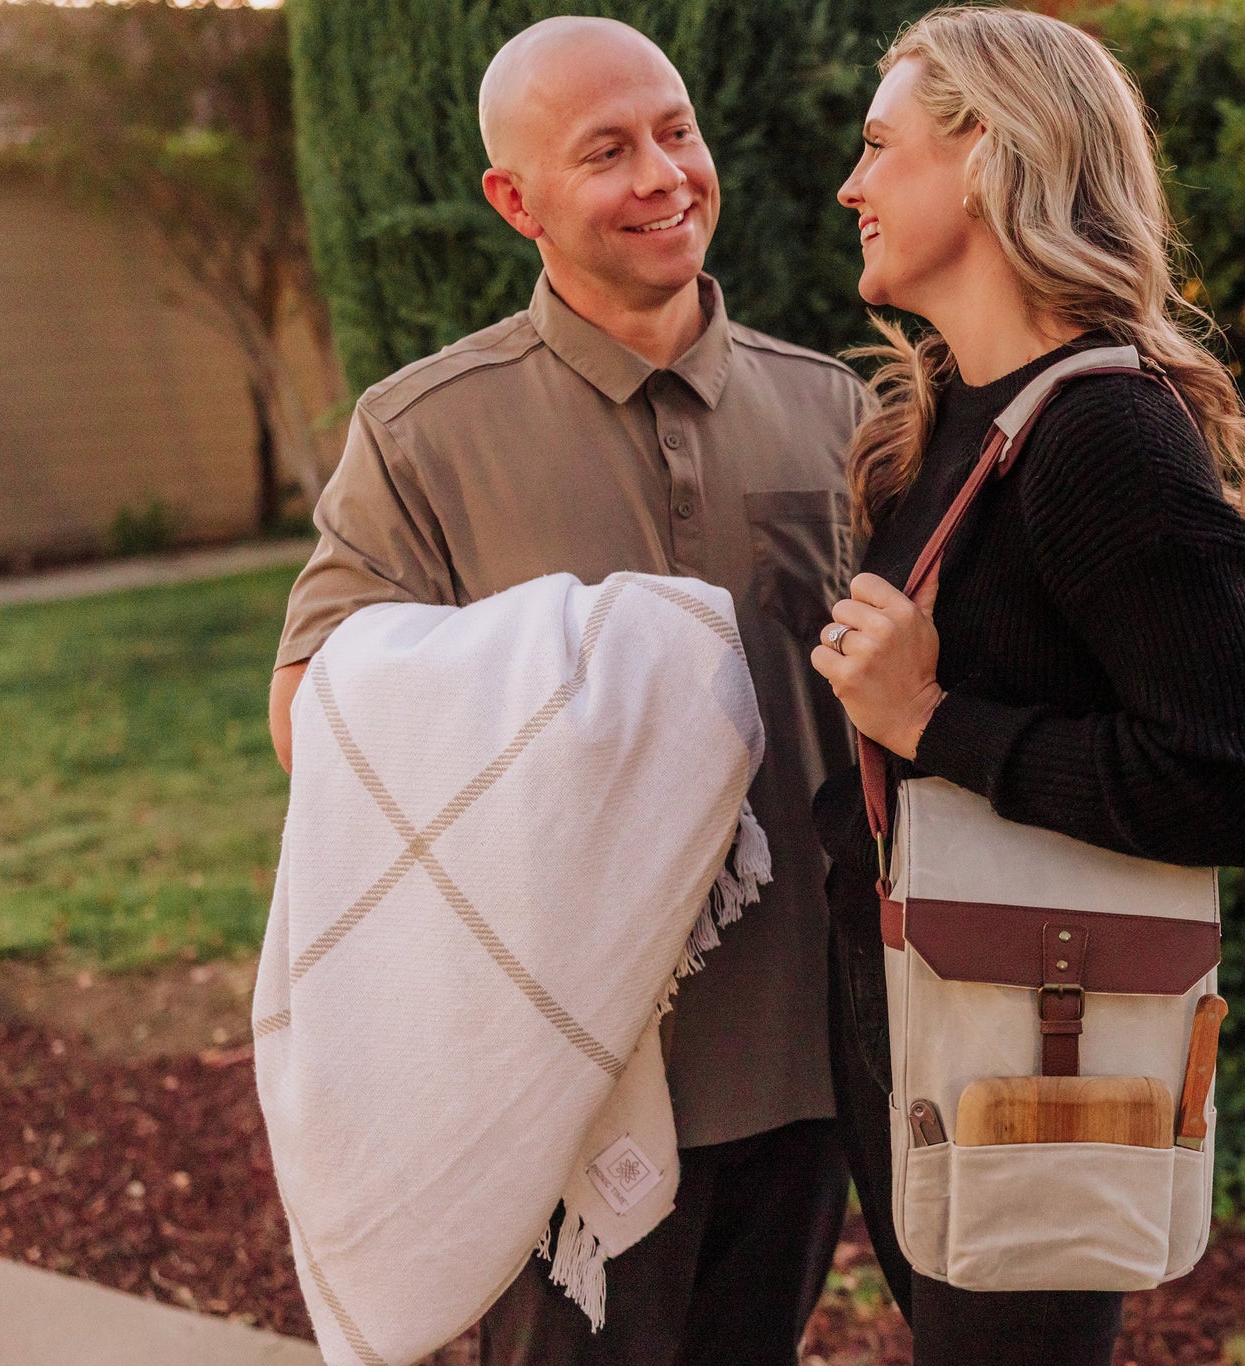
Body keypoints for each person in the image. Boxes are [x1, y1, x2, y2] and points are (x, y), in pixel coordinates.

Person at [266, 17, 864, 1365]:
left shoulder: (833, 412)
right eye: (607, 152)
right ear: (515, 198)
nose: (664, 175)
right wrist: (566, 663)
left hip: (796, 1056)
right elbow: (312, 712)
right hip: (553, 1078)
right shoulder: (421, 434)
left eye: (677, 132)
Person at [808, 7, 1245, 1364]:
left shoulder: (1102, 436)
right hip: (917, 1000)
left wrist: (932, 723)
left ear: (987, 158)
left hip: (1031, 1036)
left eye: (879, 146)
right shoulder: (950, 422)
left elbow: (1239, 784)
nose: (850, 185)